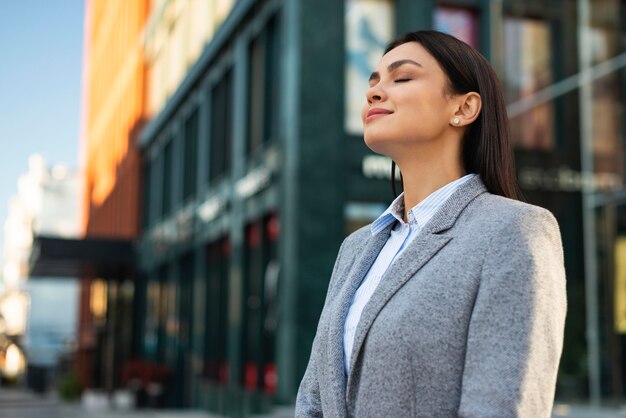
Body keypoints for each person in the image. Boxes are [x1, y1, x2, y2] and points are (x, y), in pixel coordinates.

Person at [295, 30, 566, 417]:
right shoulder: (356, 248)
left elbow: (501, 408)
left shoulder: (515, 231)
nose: (373, 92)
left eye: (401, 78)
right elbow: (313, 401)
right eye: (373, 82)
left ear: (465, 108)